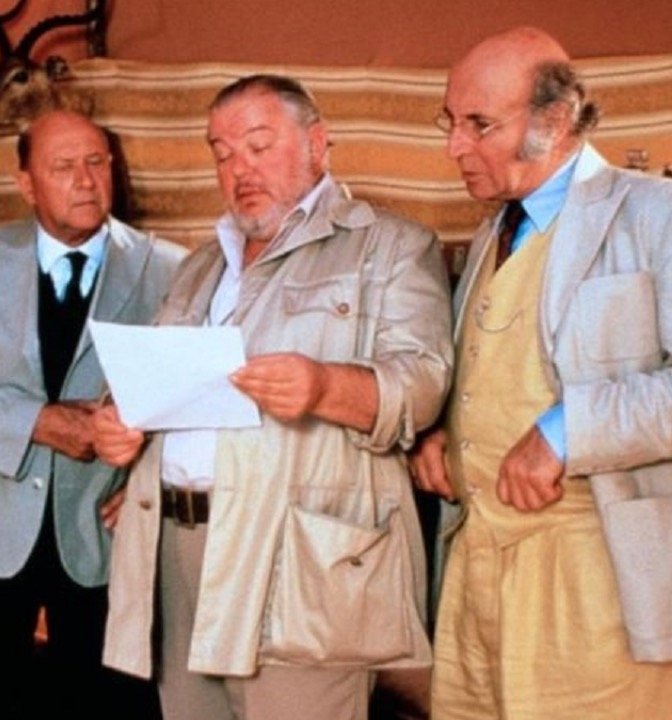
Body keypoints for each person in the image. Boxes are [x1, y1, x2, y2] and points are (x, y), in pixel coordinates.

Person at [407, 27, 672, 720]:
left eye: (480, 124)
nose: (455, 147)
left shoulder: (670, 214)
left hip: (603, 588)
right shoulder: (493, 231)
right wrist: (445, 432)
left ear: (556, 120)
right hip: (474, 577)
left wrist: (568, 431)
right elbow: (496, 371)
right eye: (451, 122)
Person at [93, 75, 454, 720]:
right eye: (222, 154)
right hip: (175, 548)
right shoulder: (201, 265)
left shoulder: (392, 246)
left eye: (259, 147)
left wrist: (324, 385)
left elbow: (422, 383)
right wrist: (115, 422)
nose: (240, 170)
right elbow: (146, 380)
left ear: (317, 144)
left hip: (299, 555)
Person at [0, 108, 186, 719]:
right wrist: (38, 421)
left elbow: (191, 398)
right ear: (26, 184)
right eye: (63, 167)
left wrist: (149, 477)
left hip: (106, 533)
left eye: (96, 162)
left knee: (108, 707)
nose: (85, 180)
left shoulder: (172, 269)